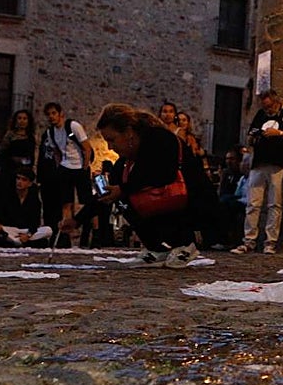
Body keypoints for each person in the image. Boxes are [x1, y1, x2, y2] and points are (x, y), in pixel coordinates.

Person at [80, 102, 197, 268]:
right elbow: (108, 194)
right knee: (123, 199)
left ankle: (185, 243)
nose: (110, 147)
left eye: (112, 140)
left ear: (128, 133)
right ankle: (156, 247)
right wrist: (76, 220)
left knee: (129, 194)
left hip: (187, 197)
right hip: (166, 199)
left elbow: (163, 174)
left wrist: (123, 189)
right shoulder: (125, 161)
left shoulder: (159, 139)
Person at [231, 89, 283, 255]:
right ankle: (249, 240)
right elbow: (251, 135)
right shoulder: (260, 115)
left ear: (276, 102)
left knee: (275, 204)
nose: (268, 110)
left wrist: (279, 133)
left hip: (278, 164)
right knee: (253, 204)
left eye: (270, 107)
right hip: (258, 163)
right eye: (265, 107)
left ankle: (270, 242)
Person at [38, 102, 93, 246]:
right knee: (66, 202)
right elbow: (56, 150)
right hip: (65, 168)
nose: (51, 117)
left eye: (53, 113)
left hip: (79, 167)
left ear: (60, 113)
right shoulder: (51, 132)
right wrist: (59, 166)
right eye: (48, 114)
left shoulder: (73, 126)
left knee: (86, 201)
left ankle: (91, 235)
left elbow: (87, 147)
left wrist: (85, 167)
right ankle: (65, 237)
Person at [175, 110, 224, 248]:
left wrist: (206, 168)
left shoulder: (192, 138)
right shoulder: (177, 136)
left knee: (207, 201)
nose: (182, 122)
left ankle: (211, 237)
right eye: (180, 120)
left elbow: (200, 156)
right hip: (186, 174)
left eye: (185, 120)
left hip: (196, 173)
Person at [0, 166, 52, 246]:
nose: (19, 182)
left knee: (48, 230)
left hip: (25, 230)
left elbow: (35, 222)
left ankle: (15, 241)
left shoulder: (33, 198)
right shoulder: (7, 193)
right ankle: (16, 240)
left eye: (24, 180)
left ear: (30, 183)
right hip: (10, 229)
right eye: (18, 178)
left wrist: (28, 235)